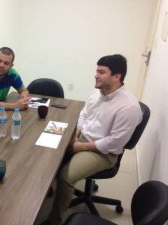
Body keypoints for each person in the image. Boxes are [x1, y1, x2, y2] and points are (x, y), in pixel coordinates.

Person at [42, 54, 143, 225]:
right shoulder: (98, 92)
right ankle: (47, 189)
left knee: (66, 177)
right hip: (82, 137)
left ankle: (54, 220)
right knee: (45, 145)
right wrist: (75, 133)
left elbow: (114, 143)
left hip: (104, 152)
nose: (96, 75)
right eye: (96, 71)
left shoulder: (129, 107)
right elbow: (84, 113)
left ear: (117, 76)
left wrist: (77, 147)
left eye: (101, 72)